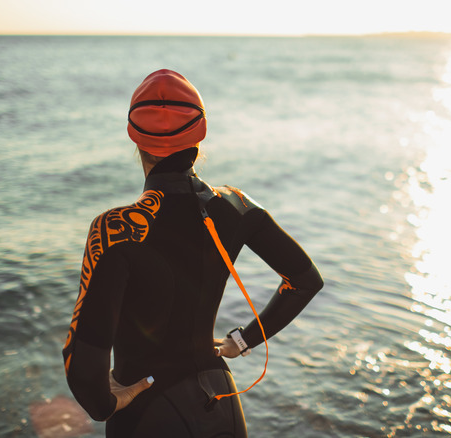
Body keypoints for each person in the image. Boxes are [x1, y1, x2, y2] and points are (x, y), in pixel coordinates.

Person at [61, 69, 324, 437]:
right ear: (199, 136)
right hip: (222, 402)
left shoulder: (116, 229)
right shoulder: (238, 206)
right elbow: (305, 281)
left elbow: (83, 367)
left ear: (135, 138)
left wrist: (106, 405)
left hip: (148, 413)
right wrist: (243, 340)